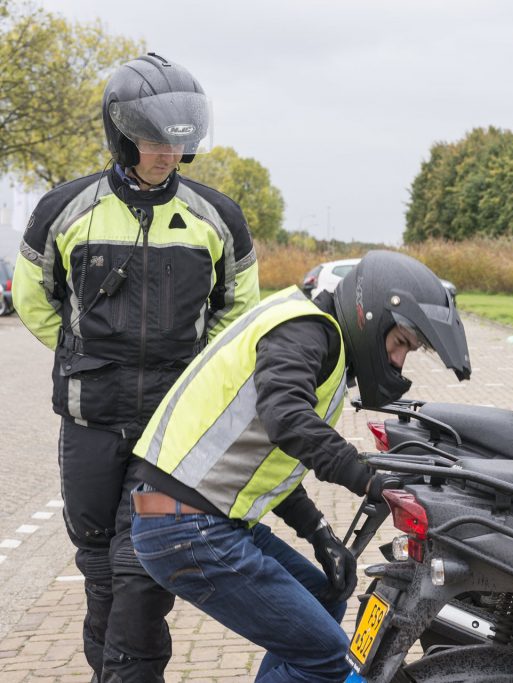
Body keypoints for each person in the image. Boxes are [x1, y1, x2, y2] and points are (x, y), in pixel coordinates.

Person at [12, 53, 261, 681]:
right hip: (91, 422)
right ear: (121, 134)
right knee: (98, 564)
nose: (166, 155)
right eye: (153, 141)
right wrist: (80, 357)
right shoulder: (64, 209)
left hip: (171, 433)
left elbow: (240, 310)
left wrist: (197, 379)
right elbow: (32, 299)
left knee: (145, 567)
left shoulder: (218, 218)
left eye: (178, 143)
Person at [129, 251, 472, 682]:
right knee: (326, 656)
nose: (399, 361)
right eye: (400, 343)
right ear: (370, 317)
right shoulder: (305, 330)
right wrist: (368, 478)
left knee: (327, 596)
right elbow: (288, 420)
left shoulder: (312, 335)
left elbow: (266, 457)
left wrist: (318, 532)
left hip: (202, 519)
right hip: (187, 528)